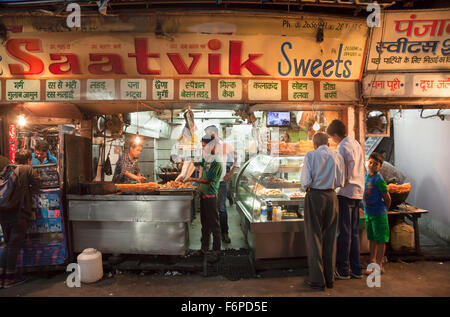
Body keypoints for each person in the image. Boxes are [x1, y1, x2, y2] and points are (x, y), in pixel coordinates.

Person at [300, 133, 345, 291]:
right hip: (332, 197)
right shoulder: (337, 155)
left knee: (314, 237)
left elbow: (305, 181)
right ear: (328, 143)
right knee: (330, 238)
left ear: (315, 144)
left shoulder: (310, 155)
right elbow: (341, 181)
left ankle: (317, 280)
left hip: (315, 196)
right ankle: (329, 278)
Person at [326, 119, 365, 280]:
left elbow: (342, 173)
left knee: (344, 233)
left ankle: (343, 270)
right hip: (358, 192)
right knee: (354, 233)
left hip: (346, 193)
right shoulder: (355, 143)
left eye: (332, 137)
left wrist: (334, 186)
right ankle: (356, 269)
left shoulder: (342, 146)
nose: (332, 141)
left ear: (335, 135)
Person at [0, 149, 40, 289]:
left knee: (7, 244)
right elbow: (37, 186)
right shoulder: (27, 169)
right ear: (29, 160)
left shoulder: (7, 168)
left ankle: (2, 278)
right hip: (19, 212)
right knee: (13, 245)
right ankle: (9, 278)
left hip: (3, 212)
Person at [185, 135, 222, 263]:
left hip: (211, 198)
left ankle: (217, 251)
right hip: (204, 197)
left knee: (214, 225)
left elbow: (208, 180)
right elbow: (200, 163)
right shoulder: (207, 158)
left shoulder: (216, 161)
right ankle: (204, 248)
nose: (203, 149)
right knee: (205, 225)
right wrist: (188, 163)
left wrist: (192, 179)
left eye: (204, 146)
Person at [204, 125, 240, 244]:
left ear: (214, 133)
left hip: (221, 183)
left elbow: (237, 156)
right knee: (209, 209)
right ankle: (209, 234)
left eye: (209, 134)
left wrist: (231, 172)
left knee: (221, 208)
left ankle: (225, 233)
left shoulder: (225, 145)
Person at [364, 153, 391, 275]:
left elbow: (387, 197)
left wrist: (386, 209)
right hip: (369, 213)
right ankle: (372, 262)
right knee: (372, 239)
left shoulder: (379, 179)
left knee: (380, 240)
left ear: (380, 167)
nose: (372, 165)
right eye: (370, 162)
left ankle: (379, 265)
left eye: (375, 164)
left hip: (379, 214)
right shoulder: (367, 177)